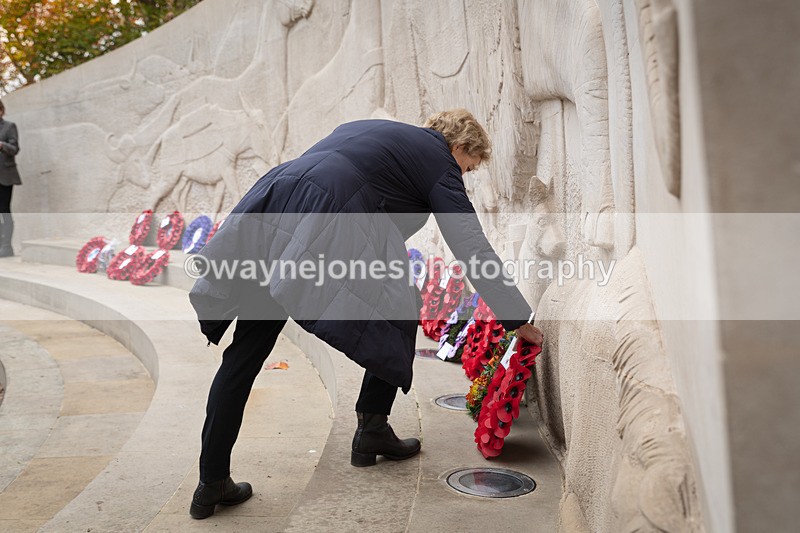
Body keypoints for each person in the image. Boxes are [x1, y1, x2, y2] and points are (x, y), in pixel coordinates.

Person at [187, 109, 544, 519]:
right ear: (459, 147)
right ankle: (372, 427)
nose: (462, 176)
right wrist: (516, 317)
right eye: (467, 167)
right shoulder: (438, 161)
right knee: (402, 304)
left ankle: (211, 481)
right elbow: (470, 243)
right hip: (322, 216)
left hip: (272, 205)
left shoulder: (373, 132)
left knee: (244, 356)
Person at [0, 99, 21, 258]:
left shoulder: (9, 126)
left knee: (4, 210)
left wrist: (2, 145)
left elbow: (15, 149)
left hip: (5, 176)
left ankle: (7, 247)